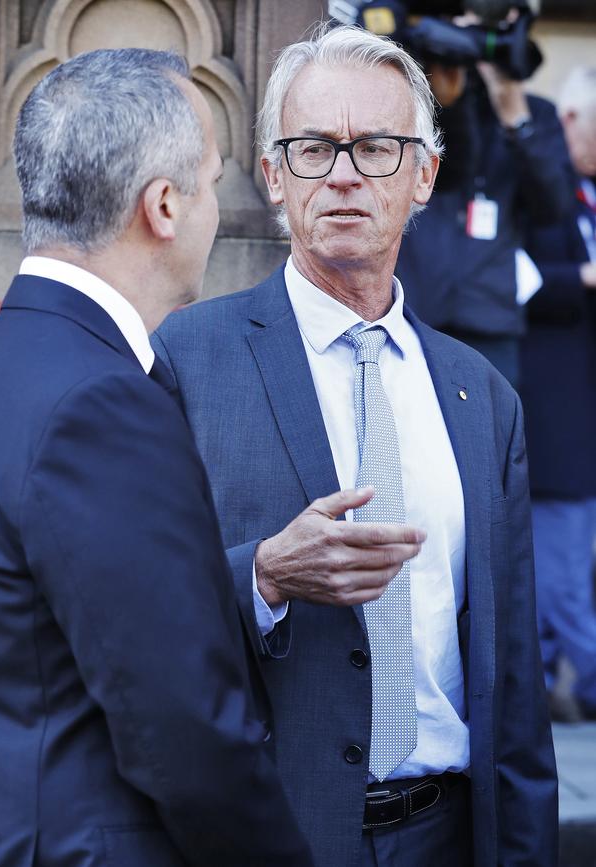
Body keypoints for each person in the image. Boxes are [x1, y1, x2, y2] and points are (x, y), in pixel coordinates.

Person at [152, 24, 557, 867]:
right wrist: (261, 575)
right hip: (260, 836)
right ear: (272, 176)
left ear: (423, 175)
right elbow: (119, 608)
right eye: (311, 149)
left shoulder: (484, 398)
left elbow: (513, 688)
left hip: (447, 833)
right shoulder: (186, 359)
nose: (341, 173)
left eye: (375, 147)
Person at [0, 48, 314, 867]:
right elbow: (187, 733)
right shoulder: (99, 402)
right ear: (164, 207)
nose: (218, 205)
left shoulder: (5, 368)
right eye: (214, 181)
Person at [395, 3, 573, 389]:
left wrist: (516, 116)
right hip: (416, 310)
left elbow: (554, 207)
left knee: (488, 442)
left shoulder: (538, 114)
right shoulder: (424, 104)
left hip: (490, 320)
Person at [520, 65, 596, 722]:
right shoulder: (538, 185)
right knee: (565, 562)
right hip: (554, 406)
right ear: (570, 120)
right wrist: (582, 276)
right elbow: (505, 275)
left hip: (580, 410)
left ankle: (542, 679)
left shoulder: (588, 186)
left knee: (562, 561)